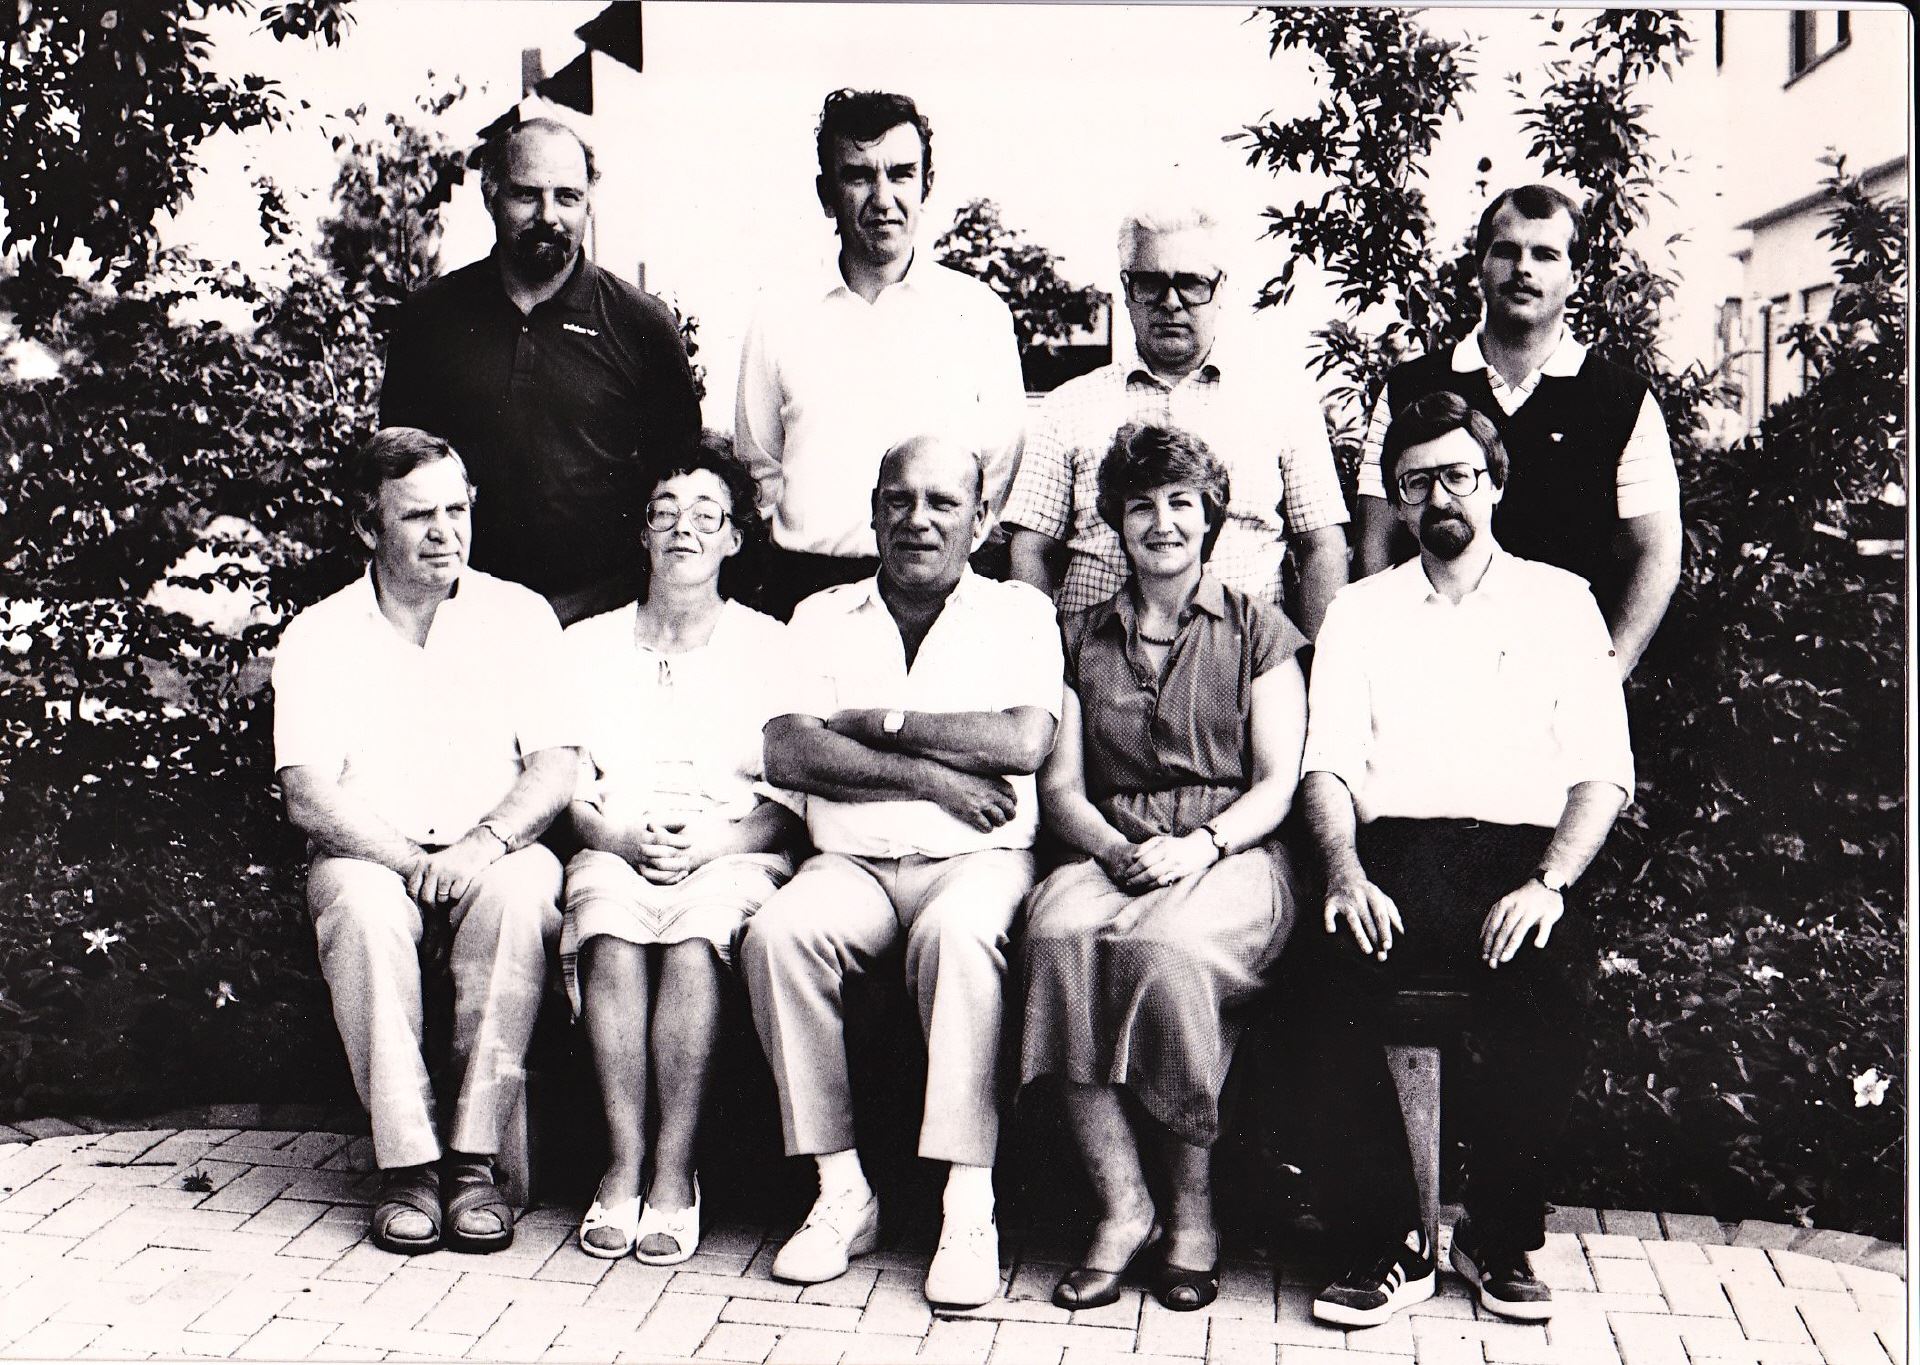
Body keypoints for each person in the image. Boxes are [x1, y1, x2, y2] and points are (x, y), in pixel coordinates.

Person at [1299, 392, 1632, 1328]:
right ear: (1398, 501)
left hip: (1521, 857)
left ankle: (1498, 1234)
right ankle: (1387, 1242)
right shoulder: (1359, 611)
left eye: (1457, 474)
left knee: (1553, 986)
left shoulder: (1561, 602)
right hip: (1395, 854)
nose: (1439, 496)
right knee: (1323, 978)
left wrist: (1548, 884)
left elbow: (1604, 772)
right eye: (1416, 482)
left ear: (1495, 482)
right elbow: (1326, 766)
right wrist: (1345, 873)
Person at [741, 434, 1062, 1307]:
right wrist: (933, 776)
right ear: (875, 511)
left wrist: (876, 723)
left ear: (982, 520)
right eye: (899, 499)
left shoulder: (1019, 614)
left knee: (959, 939)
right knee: (779, 933)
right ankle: (842, 1190)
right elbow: (790, 750)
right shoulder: (822, 615)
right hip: (849, 862)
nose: (918, 519)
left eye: (943, 502)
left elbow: (1021, 740)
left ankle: (969, 1204)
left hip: (976, 862)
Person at [1019, 423, 1308, 1313]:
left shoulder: (1259, 628)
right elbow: (1061, 789)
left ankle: (1192, 1213)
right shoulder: (1076, 635)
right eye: (1140, 505)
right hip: (1113, 846)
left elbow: (1278, 781)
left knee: (1167, 951)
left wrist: (1202, 845)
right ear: (1115, 521)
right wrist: (1114, 850)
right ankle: (1124, 1206)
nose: (1162, 522)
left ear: (1211, 516)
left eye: (1181, 502)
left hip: (1235, 851)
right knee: (1057, 937)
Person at [272, 427, 582, 1256]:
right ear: (367, 526)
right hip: (372, 854)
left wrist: (482, 845)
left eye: (457, 509)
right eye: (418, 516)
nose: (446, 532)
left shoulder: (518, 616)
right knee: (362, 910)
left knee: (523, 893)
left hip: (494, 848)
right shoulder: (320, 633)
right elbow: (307, 791)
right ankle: (407, 1166)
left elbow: (556, 764)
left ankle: (474, 1163)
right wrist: (409, 862)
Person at [560, 436, 803, 1264]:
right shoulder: (587, 644)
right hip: (615, 839)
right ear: (642, 534)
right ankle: (622, 1163)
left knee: (698, 939)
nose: (683, 530)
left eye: (706, 515)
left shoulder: (773, 646)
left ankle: (673, 1171)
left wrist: (713, 846)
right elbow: (568, 781)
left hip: (730, 846)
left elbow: (789, 801)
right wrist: (616, 837)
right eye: (664, 514)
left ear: (735, 536)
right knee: (612, 931)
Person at [380, 118, 701, 626]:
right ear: (491, 196)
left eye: (568, 197)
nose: (548, 215)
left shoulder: (641, 324)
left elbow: (681, 482)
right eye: (527, 195)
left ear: (589, 204)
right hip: (463, 615)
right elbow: (396, 476)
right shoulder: (429, 321)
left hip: (604, 618)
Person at [1352, 183, 1681, 677]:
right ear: (1480, 266)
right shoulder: (1408, 389)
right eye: (1506, 251)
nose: (1523, 269)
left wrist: (1603, 678)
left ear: (1575, 276)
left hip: (1562, 674)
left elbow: (1656, 555)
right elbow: (1375, 538)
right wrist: (1390, 664)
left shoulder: (1622, 399)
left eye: (1545, 254)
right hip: (1428, 670)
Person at [736, 89, 1027, 618]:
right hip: (808, 590)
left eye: (900, 174)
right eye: (858, 176)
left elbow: (998, 466)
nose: (882, 197)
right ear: (826, 194)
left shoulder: (978, 315)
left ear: (926, 184)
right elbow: (759, 466)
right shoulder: (778, 315)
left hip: (941, 596)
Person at [1005, 203, 1349, 637]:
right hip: (1097, 660)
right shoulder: (1066, 407)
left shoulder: (1283, 403)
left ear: (1221, 289)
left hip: (1247, 659)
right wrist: (1042, 660)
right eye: (1151, 283)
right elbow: (1031, 550)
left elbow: (1322, 547)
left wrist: (1315, 663)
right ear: (1127, 289)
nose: (1171, 302)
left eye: (1191, 283)